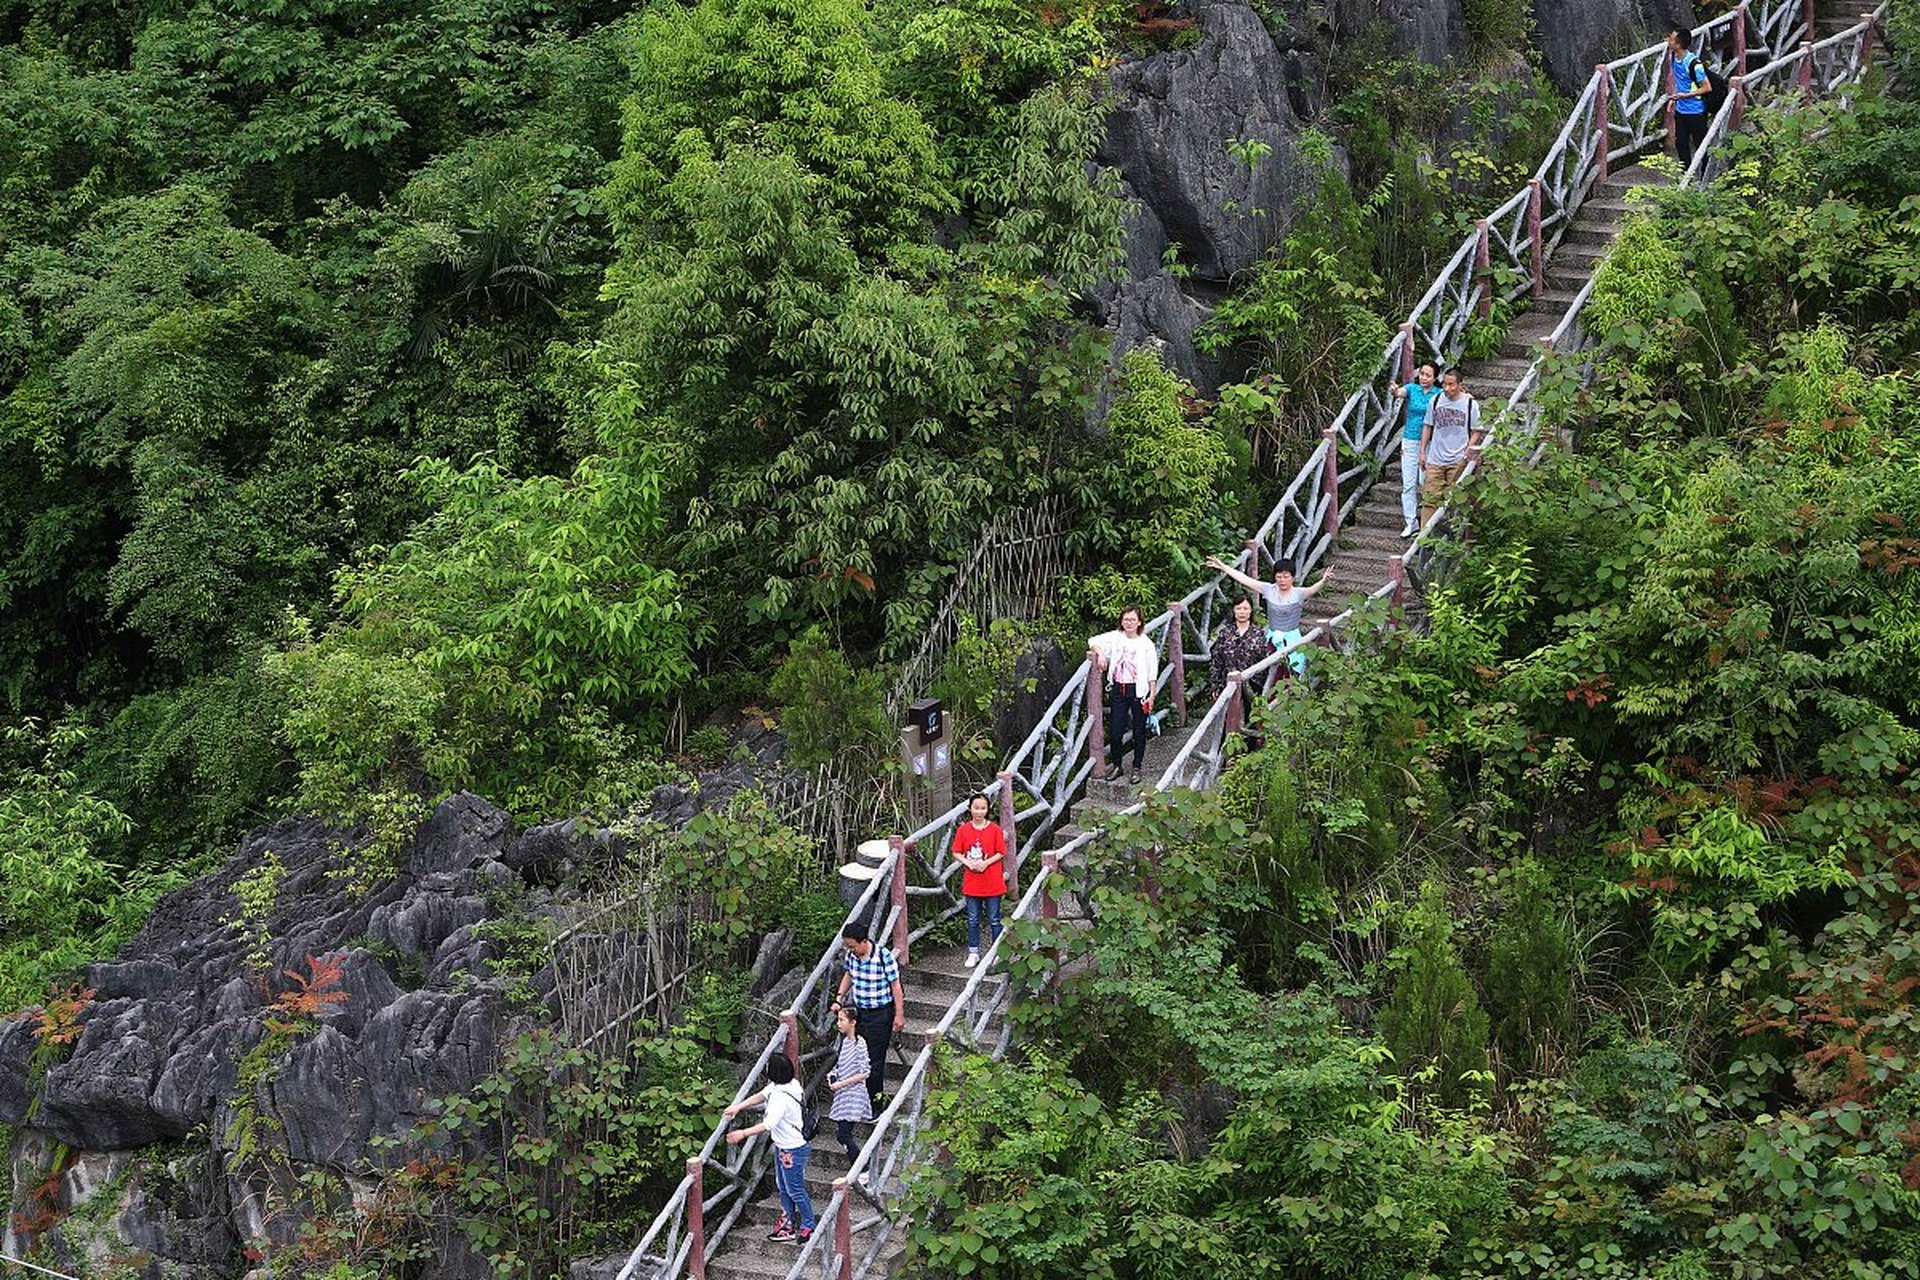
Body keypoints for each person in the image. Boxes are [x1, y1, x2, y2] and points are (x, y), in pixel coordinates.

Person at [724, 1055, 814, 1243]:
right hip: (784, 1147)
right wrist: (738, 1106)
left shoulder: (780, 1097)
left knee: (795, 1189)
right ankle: (787, 1223)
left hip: (793, 1149)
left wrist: (743, 1133)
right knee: (783, 1187)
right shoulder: (789, 1084)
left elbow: (768, 1124)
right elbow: (762, 1095)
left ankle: (808, 1225)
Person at [1204, 555, 1334, 678]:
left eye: (1286, 576)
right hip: (1272, 639)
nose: (1282, 580)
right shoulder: (1268, 589)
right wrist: (1224, 567)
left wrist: (1324, 580)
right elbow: (1245, 579)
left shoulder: (1299, 593)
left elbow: (1313, 589)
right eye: (1279, 577)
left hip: (1292, 639)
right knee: (1272, 672)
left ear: (1293, 577)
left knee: (1293, 671)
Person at [834, 924, 903, 1113]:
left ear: (864, 941)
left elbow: (896, 986)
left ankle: (876, 1105)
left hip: (880, 1014)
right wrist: (839, 998)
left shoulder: (883, 956)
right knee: (856, 1056)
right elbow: (849, 974)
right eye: (848, 947)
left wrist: (899, 1014)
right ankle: (859, 1100)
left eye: (853, 946)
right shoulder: (851, 956)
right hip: (859, 1013)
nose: (851, 950)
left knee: (874, 1061)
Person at [1088, 605, 1159, 785]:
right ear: (1121, 621)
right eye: (1126, 619)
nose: (1129, 623)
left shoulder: (1146, 644)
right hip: (1119, 689)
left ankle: (1136, 767)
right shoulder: (1116, 638)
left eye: (1132, 620)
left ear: (1139, 622)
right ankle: (1118, 765)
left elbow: (1152, 672)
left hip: (1139, 691)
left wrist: (1152, 694)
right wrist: (1101, 654)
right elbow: (1093, 640)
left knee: (1139, 730)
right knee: (1115, 731)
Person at [1418, 368, 1482, 526]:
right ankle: (1424, 539)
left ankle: (1452, 535)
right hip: (1435, 459)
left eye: (1451, 385)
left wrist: (1468, 448)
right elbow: (1427, 426)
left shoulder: (1469, 404)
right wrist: (1422, 452)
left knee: (1455, 498)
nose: (1447, 388)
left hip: (1457, 459)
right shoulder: (1436, 400)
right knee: (1429, 500)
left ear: (1460, 385)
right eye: (1445, 384)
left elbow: (1476, 430)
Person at [950, 792, 1007, 967]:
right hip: (972, 881)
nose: (979, 811)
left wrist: (985, 863)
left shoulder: (995, 829)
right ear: (970, 809)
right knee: (973, 919)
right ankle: (973, 952)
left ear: (988, 809)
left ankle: (996, 952)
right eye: (976, 808)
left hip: (992, 880)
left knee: (995, 919)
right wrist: (967, 862)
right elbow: (956, 851)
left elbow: (1001, 852)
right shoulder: (963, 830)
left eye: (983, 808)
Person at [1390, 362, 1440, 537]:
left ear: (1435, 378)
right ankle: (1410, 522)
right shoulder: (1412, 389)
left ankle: (1428, 519)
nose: (1424, 378)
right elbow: (1399, 393)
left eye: (1428, 375)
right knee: (1408, 484)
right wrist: (1394, 390)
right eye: (1422, 374)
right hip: (1410, 440)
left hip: (1430, 443)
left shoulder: (1439, 394)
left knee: (1423, 481)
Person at [827, 1004, 874, 1189]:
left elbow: (864, 1072)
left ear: (852, 1022)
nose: (838, 1023)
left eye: (841, 1020)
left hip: (853, 1093)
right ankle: (859, 1167)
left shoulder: (859, 1043)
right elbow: (843, 1065)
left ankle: (864, 1168)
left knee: (844, 1134)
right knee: (842, 1135)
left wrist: (841, 1083)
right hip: (844, 1092)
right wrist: (834, 1075)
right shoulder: (845, 1042)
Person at [1209, 596, 1274, 724]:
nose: (1242, 612)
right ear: (1234, 610)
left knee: (1251, 719)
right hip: (1227, 681)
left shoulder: (1258, 633)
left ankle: (1252, 742)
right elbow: (1217, 660)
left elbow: (1264, 661)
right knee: (1226, 720)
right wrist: (1215, 685)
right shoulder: (1225, 632)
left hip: (1253, 683)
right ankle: (1225, 742)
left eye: (1245, 608)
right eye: (1239, 608)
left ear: (1251, 611)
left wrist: (1261, 685)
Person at [1667, 27, 1713, 167]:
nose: (1668, 41)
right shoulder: (1675, 58)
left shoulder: (1694, 64)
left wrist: (1685, 95)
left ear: (1678, 44)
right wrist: (1674, 98)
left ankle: (1705, 176)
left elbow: (1707, 87)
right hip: (1681, 110)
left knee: (1701, 145)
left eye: (1671, 39)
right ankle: (1685, 176)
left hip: (1696, 110)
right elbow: (1680, 82)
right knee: (1681, 143)